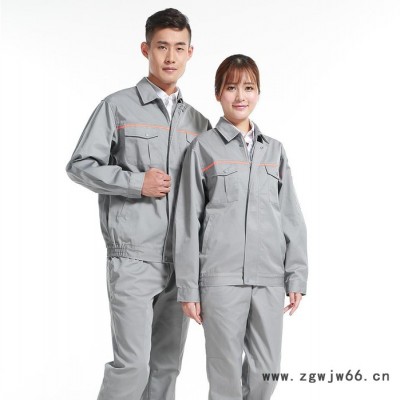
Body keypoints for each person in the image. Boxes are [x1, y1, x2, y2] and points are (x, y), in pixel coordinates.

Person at [65, 8, 210, 400]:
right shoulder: (117, 107)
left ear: (190, 53)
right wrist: (135, 183)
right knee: (132, 367)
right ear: (146, 49)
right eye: (162, 46)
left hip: (182, 263)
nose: (170, 57)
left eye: (179, 47)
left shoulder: (200, 124)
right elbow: (79, 166)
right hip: (132, 258)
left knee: (166, 368)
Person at [173, 54, 308, 400]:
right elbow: (188, 221)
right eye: (231, 87)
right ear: (218, 93)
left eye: (248, 87)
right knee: (225, 377)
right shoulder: (203, 148)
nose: (240, 96)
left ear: (258, 92)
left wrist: (296, 276)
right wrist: (188, 288)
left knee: (266, 373)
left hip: (268, 279)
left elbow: (291, 217)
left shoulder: (274, 151)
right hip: (220, 280)